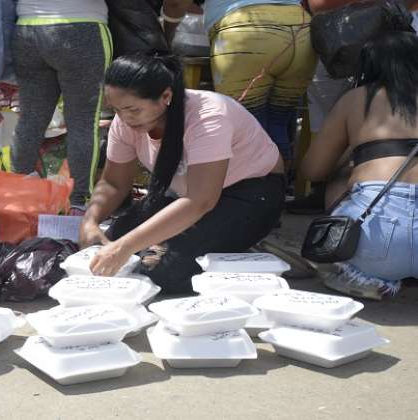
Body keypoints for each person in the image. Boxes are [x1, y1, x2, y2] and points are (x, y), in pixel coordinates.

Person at [79, 54, 285, 293]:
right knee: (108, 245)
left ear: (166, 96)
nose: (124, 118)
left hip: (250, 194)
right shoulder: (126, 121)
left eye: (132, 109)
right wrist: (90, 221)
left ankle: (243, 248)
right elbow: (114, 183)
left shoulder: (208, 117)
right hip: (184, 196)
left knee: (164, 271)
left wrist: (124, 247)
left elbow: (200, 200)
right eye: (116, 109)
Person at [301, 31, 418, 300]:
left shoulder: (357, 100)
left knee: (340, 179)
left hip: (376, 245)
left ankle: (359, 274)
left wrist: (355, 157)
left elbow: (313, 170)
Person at [161, 0, 316, 167]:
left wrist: (166, 35)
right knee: (278, 124)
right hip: (302, 30)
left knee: (248, 130)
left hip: (244, 33)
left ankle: (257, 188)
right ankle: (278, 187)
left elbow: (176, 2)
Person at [11, 0, 112, 212]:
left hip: (27, 29)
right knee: (83, 121)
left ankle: (21, 196)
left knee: (30, 118)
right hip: (82, 27)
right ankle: (78, 203)